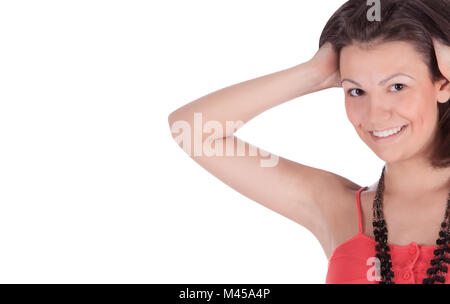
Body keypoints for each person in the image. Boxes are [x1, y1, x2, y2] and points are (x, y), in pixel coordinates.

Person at [168, 0, 450, 284]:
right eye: (356, 91)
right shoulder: (336, 206)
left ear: (443, 83)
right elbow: (191, 130)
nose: (375, 114)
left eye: (397, 86)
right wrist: (313, 73)